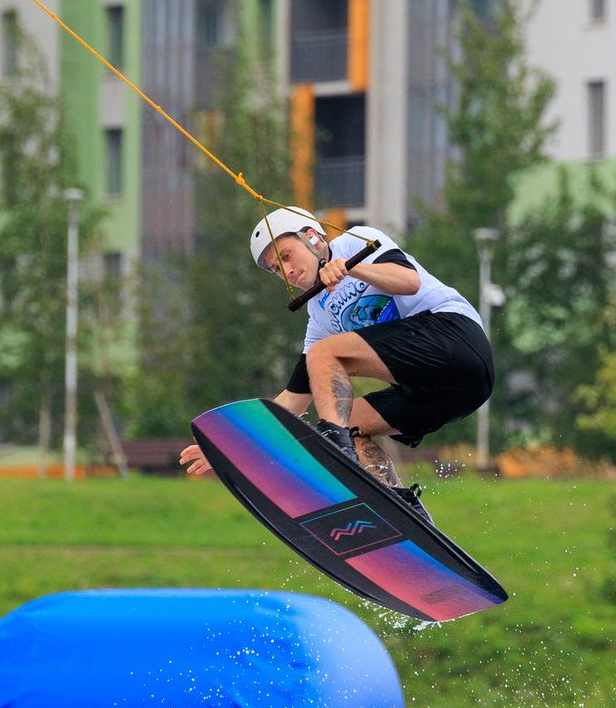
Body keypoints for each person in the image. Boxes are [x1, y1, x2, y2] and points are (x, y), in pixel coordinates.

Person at [180, 206, 494, 495]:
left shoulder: (356, 242)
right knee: (351, 423)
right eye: (277, 269)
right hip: (453, 392)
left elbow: (409, 282)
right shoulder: (319, 318)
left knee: (324, 362)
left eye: (287, 257)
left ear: (312, 238)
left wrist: (351, 269)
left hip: (457, 339)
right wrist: (233, 447)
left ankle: (337, 455)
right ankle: (400, 505)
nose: (287, 272)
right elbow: (292, 401)